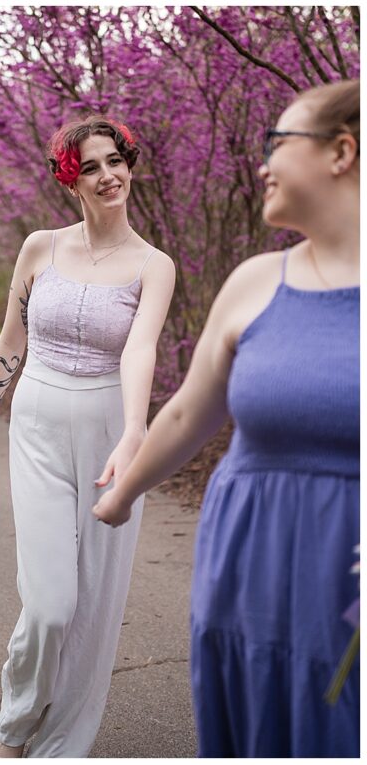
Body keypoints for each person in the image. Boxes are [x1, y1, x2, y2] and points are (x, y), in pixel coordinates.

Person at [93, 81, 359, 757]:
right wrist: (123, 494)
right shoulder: (255, 282)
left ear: (342, 152)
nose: (261, 162)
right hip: (246, 571)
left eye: (278, 143)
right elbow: (188, 411)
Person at [0, 116, 176, 757]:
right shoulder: (40, 248)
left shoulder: (154, 265)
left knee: (93, 606)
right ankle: (13, 731)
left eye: (116, 161)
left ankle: (62, 744)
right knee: (52, 602)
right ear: (70, 180)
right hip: (35, 427)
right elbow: (12, 338)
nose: (109, 175)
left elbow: (141, 349)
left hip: (111, 432)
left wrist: (135, 430)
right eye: (90, 167)